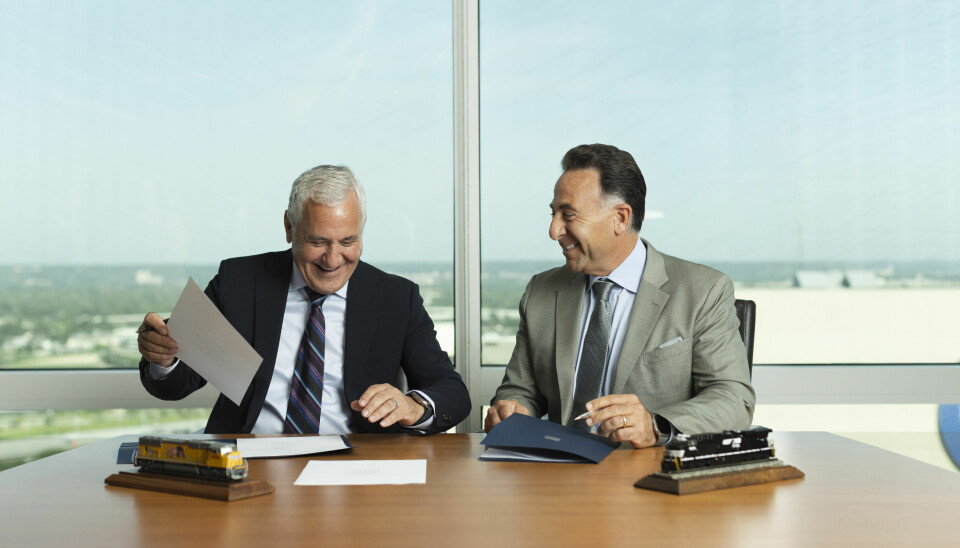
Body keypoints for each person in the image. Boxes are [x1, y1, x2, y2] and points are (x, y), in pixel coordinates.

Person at [137, 165, 470, 435]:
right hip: (250, 461)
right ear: (289, 227)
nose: (333, 258)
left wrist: (413, 406)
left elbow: (451, 391)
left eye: (348, 240)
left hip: (356, 468)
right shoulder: (239, 282)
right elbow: (178, 383)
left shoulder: (396, 298)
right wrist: (165, 359)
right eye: (318, 241)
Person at [485, 144, 755, 448]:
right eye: (554, 214)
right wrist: (513, 407)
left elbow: (733, 399)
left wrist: (655, 425)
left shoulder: (704, 291)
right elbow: (521, 389)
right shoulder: (541, 292)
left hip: (648, 476)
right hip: (557, 473)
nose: (553, 230)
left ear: (620, 218)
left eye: (568, 214)